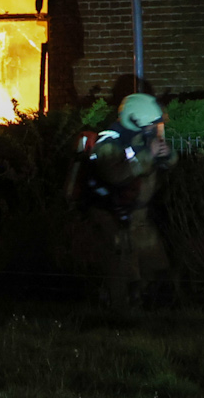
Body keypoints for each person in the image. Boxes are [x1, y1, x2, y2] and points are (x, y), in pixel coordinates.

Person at [68, 92, 175, 302]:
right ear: (135, 120)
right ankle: (119, 316)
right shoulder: (109, 141)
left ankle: (157, 311)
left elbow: (168, 162)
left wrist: (166, 155)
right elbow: (115, 175)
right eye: (152, 125)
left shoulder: (144, 137)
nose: (155, 129)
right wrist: (147, 156)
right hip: (112, 217)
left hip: (140, 216)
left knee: (157, 267)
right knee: (122, 271)